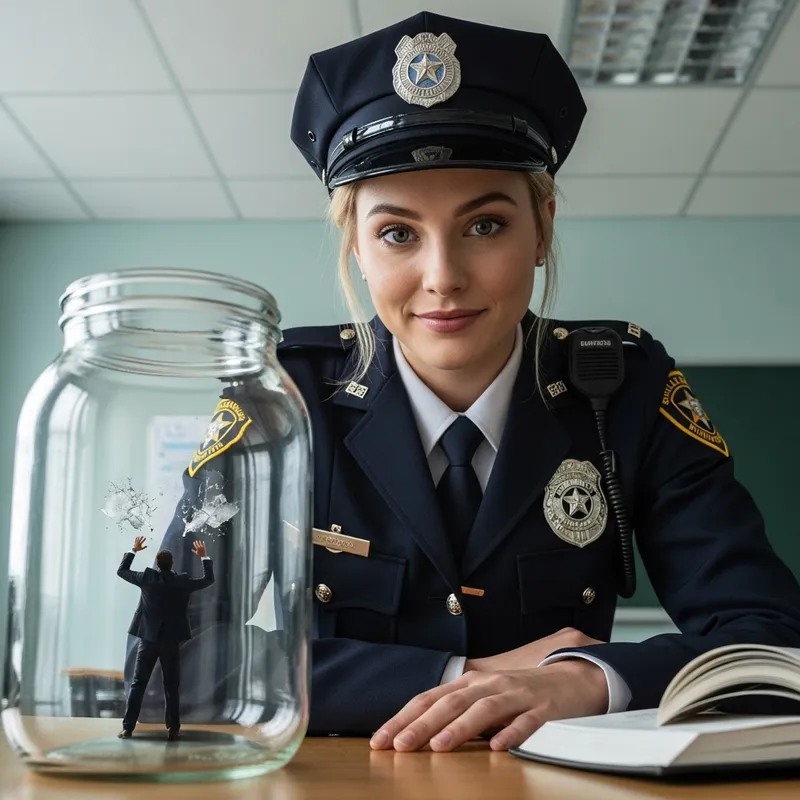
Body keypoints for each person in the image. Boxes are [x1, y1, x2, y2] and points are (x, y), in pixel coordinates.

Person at [140, 10, 800, 752]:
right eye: (397, 233)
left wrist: (589, 678)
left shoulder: (626, 389)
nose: (443, 278)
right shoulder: (281, 403)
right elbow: (167, 658)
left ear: (542, 226)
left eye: (485, 225)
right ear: (356, 247)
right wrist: (465, 675)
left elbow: (771, 641)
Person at [116, 535, 214, 739]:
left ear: (157, 565)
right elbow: (208, 580)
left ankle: (128, 728)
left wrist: (133, 550)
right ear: (173, 564)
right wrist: (203, 557)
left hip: (148, 641)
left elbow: (122, 571)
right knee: (171, 686)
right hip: (171, 642)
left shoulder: (147, 579)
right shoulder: (182, 582)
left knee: (138, 685)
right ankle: (173, 728)